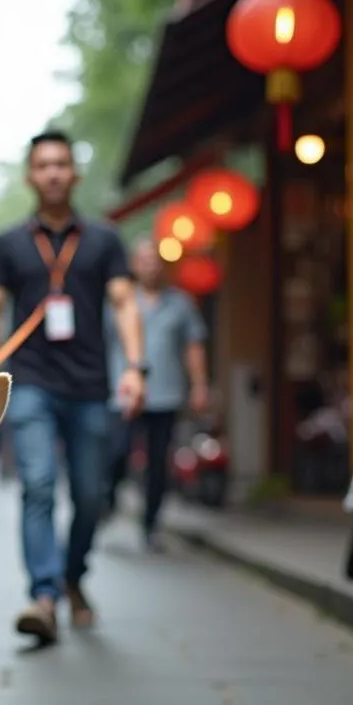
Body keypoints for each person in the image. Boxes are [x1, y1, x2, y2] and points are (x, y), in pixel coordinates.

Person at [0, 130, 146, 645]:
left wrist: (135, 366)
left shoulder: (103, 240)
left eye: (61, 164)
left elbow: (124, 302)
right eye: (42, 165)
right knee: (39, 486)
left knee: (90, 495)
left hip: (91, 384)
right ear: (30, 176)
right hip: (29, 383)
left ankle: (73, 576)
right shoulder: (8, 244)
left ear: (75, 174)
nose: (52, 173)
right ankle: (44, 596)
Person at [105, 235, 210, 550]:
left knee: (158, 463)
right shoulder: (119, 300)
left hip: (165, 393)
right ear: (134, 266)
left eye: (156, 261)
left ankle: (150, 524)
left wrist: (200, 385)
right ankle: (107, 503)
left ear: (164, 266)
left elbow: (194, 346)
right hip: (121, 393)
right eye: (144, 260)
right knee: (116, 453)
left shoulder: (180, 303)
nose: (150, 266)